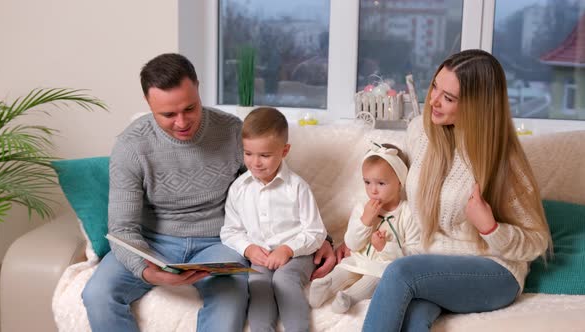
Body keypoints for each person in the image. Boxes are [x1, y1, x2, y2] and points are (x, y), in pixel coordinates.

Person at [80, 53, 337, 332]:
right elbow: (121, 229)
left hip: (218, 243)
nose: (182, 122)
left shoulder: (232, 132)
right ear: (148, 103)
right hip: (152, 244)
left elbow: (273, 190)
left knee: (230, 305)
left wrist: (320, 240)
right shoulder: (131, 146)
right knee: (97, 294)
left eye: (190, 108)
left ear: (198, 88)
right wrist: (144, 268)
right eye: (168, 114)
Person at [362, 49, 552, 332]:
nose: (434, 102)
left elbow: (537, 242)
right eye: (435, 87)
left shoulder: (502, 159)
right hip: (433, 264)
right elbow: (398, 198)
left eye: (448, 98)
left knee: (400, 273)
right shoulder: (420, 131)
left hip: (495, 271)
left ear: (477, 106)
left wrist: (490, 227)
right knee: (413, 318)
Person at [220, 107, 327, 332]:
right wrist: (248, 249)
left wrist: (288, 249)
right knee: (257, 284)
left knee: (284, 280)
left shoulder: (297, 187)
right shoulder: (239, 188)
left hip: (296, 254)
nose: (255, 163)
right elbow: (230, 231)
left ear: (284, 150)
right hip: (260, 256)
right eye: (248, 153)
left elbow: (316, 232)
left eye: (265, 155)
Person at [309, 143, 419, 314]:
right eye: (367, 182)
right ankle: (326, 286)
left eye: (381, 183)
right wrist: (365, 221)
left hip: (383, 266)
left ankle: (349, 298)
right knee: (344, 269)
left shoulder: (407, 213)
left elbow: (414, 252)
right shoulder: (362, 207)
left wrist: (385, 248)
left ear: (399, 182)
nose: (372, 190)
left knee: (374, 280)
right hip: (358, 258)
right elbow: (352, 244)